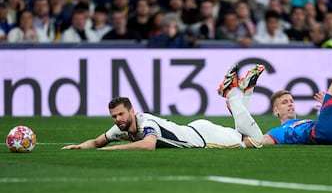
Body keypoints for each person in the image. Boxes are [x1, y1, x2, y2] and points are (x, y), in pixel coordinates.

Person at [61, 64, 265, 150]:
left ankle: (230, 94)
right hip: (198, 129)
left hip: (205, 139)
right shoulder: (121, 128)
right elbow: (97, 142)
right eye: (114, 116)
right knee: (243, 134)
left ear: (132, 111)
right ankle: (245, 92)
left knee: (256, 141)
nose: (118, 119)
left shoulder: (147, 123)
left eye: (121, 114)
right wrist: (81, 146)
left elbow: (148, 145)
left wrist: (112, 150)